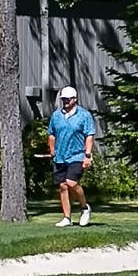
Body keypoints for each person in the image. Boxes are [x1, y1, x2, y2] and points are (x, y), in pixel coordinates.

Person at [45, 84, 98, 227]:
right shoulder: (56, 115)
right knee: (62, 186)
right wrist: (52, 150)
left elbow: (89, 136)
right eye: (64, 99)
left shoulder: (84, 115)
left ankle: (84, 207)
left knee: (71, 183)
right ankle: (67, 217)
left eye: (68, 99)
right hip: (60, 156)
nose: (66, 102)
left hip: (77, 155)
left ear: (75, 99)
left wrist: (87, 155)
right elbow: (51, 134)